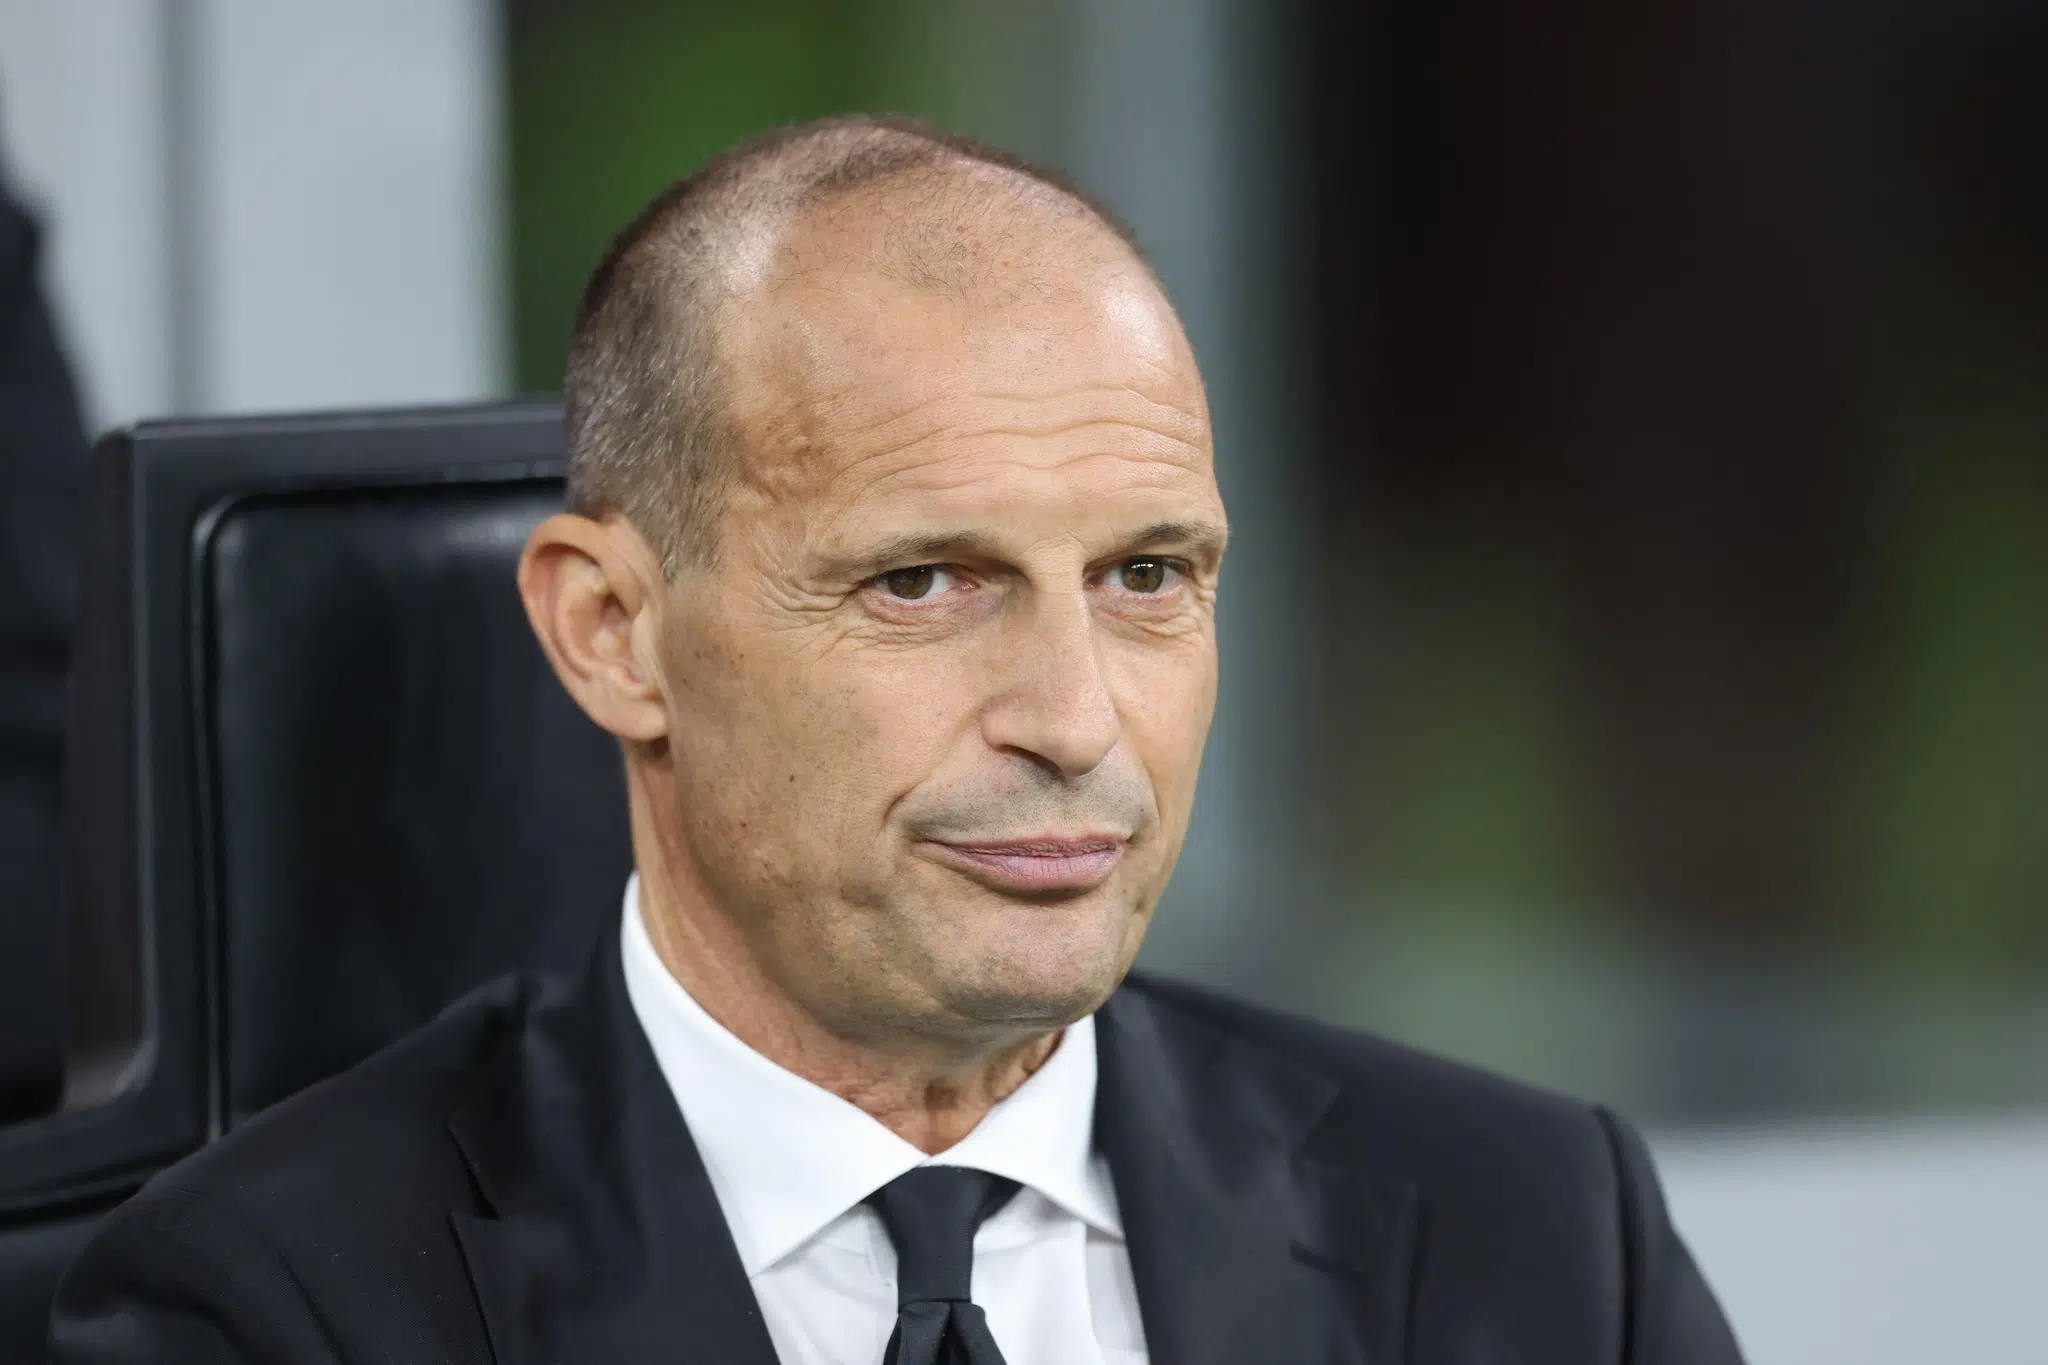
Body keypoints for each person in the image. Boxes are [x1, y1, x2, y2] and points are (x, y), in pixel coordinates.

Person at [51, 117, 1744, 1364]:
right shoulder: (265, 1314)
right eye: (924, 582)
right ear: (612, 633)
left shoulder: (1534, 1239)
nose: (1079, 721)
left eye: (1149, 576)